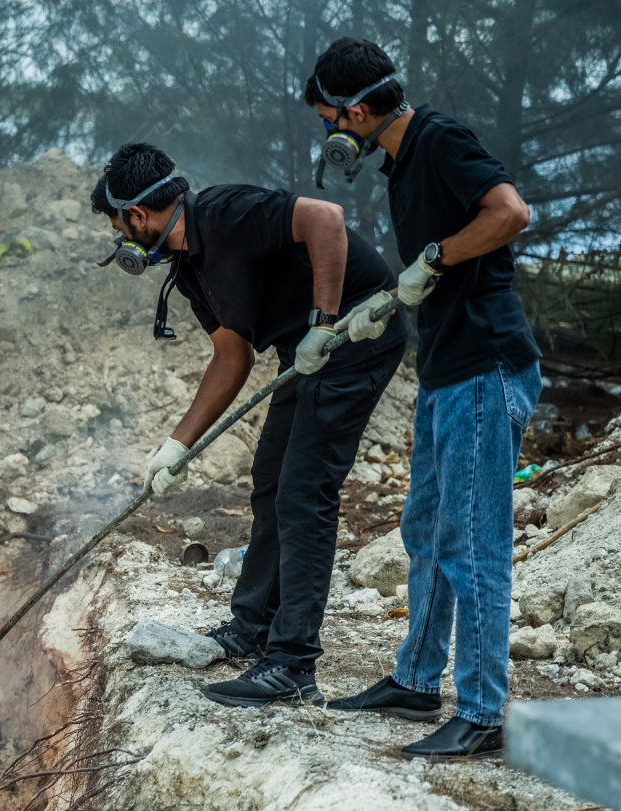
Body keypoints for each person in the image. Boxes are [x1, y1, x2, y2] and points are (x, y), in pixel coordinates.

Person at [90, 143, 407, 708]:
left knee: (304, 493)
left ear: (137, 216)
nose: (122, 240)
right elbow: (231, 357)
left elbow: (325, 218)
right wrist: (175, 446)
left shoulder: (229, 212)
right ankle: (252, 628)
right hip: (306, 351)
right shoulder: (189, 269)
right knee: (270, 481)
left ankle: (291, 664)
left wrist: (324, 321)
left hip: (357, 331)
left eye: (119, 226)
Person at [304, 38, 540, 760]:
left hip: (484, 362)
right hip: (444, 368)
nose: (330, 137)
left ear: (355, 110)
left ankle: (482, 711)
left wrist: (435, 257)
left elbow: (509, 213)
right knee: (429, 531)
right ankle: (415, 678)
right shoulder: (402, 163)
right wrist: (381, 304)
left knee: (473, 543)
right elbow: (429, 266)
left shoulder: (438, 139)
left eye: (328, 121)